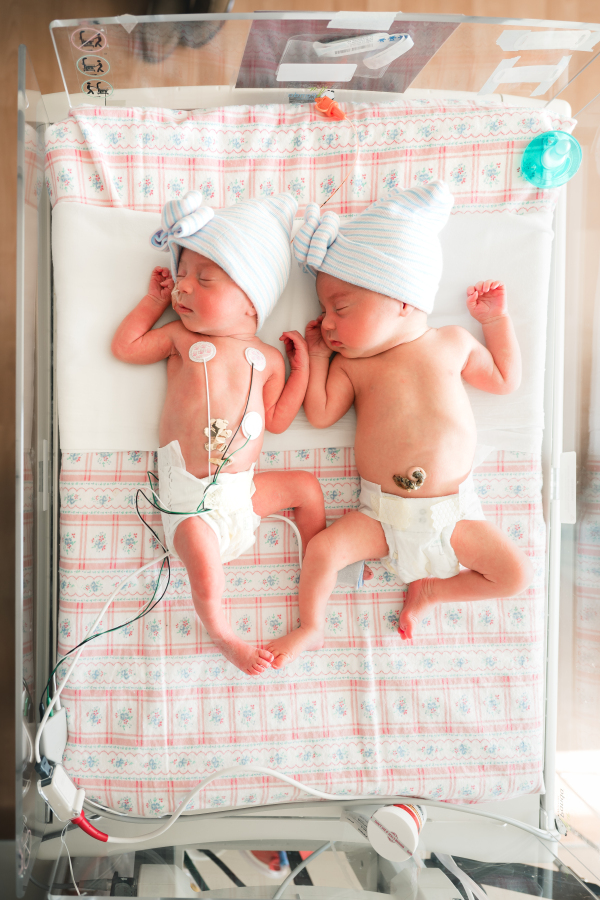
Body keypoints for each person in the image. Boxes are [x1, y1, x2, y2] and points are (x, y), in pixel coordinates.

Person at [265, 180, 533, 668]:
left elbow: (504, 380)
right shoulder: (355, 366)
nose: (325, 321)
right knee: (323, 550)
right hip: (380, 516)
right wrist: (316, 357)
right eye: (325, 310)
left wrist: (495, 323)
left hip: (452, 516)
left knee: (515, 576)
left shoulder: (450, 342)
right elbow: (321, 414)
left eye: (339, 308)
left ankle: (431, 592)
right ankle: (311, 626)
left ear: (403, 300)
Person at [112, 191, 326, 675]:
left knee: (307, 489)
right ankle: (224, 633)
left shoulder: (269, 358)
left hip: (242, 494)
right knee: (206, 572)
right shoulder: (180, 339)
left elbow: (279, 420)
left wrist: (301, 370)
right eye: (181, 276)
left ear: (252, 300)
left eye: (202, 278)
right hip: (190, 503)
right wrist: (152, 301)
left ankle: (319, 562)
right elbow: (126, 347)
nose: (182, 289)